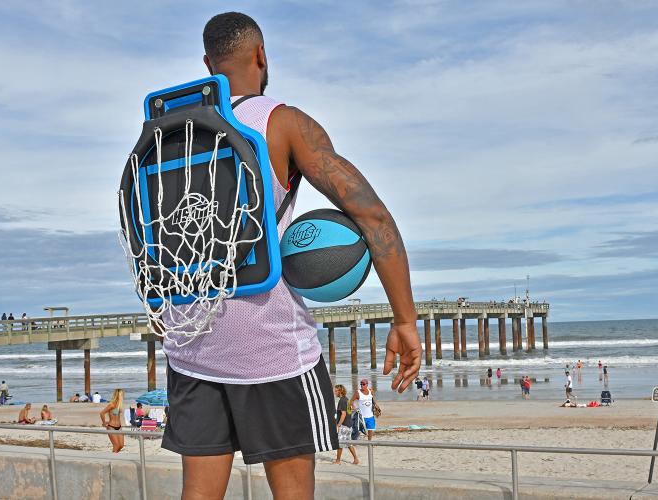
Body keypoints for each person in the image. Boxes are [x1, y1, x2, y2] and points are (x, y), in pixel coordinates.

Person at [158, 12, 421, 500]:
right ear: (261, 55)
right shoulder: (282, 122)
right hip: (269, 345)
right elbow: (374, 218)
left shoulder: (170, 132)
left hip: (189, 338)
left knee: (197, 494)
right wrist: (404, 320)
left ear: (206, 64)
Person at [333, 385, 359, 465]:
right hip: (349, 424)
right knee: (348, 443)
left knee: (340, 443)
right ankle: (356, 459)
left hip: (344, 425)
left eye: (336, 391)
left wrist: (338, 424)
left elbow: (343, 414)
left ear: (340, 391)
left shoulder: (342, 400)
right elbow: (353, 408)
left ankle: (338, 460)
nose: (334, 392)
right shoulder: (347, 399)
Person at [100, 389, 125, 453]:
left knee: (121, 445)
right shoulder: (112, 405)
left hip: (119, 427)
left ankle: (114, 455)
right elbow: (102, 413)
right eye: (122, 394)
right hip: (111, 426)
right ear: (119, 395)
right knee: (116, 445)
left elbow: (116, 415)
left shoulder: (119, 405)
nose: (123, 396)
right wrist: (104, 423)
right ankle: (113, 460)